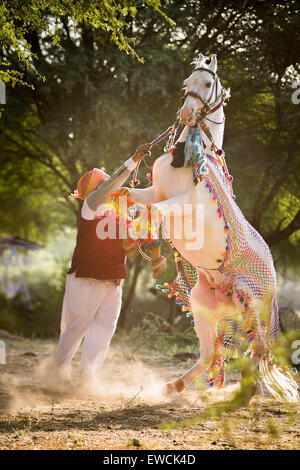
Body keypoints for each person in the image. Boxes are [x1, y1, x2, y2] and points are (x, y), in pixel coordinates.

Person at [53, 143, 151, 391]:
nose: (109, 184)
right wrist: (133, 160)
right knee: (75, 330)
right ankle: (56, 375)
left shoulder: (118, 213)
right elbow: (112, 185)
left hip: (113, 281)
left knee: (104, 331)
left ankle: (87, 377)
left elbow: (130, 244)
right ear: (94, 190)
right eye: (104, 183)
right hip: (85, 280)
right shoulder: (90, 207)